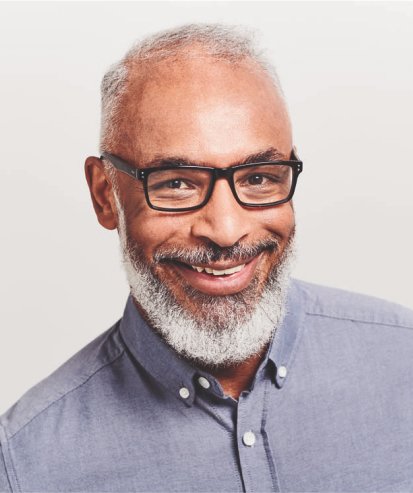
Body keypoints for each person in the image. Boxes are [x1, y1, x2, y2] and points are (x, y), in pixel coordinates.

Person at [1, 23, 412, 493]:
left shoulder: (406, 362)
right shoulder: (25, 465)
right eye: (176, 182)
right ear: (103, 196)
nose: (226, 230)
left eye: (259, 177)